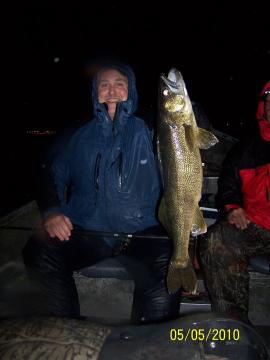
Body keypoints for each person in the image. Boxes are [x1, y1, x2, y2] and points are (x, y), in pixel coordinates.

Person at [22, 61, 180, 323]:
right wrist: (52, 211)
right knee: (39, 250)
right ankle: (65, 329)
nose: (112, 90)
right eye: (104, 85)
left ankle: (151, 337)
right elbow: (50, 172)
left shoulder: (153, 127)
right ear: (95, 92)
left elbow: (185, 137)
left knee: (168, 264)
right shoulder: (77, 133)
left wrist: (185, 108)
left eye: (120, 84)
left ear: (132, 90)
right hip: (89, 231)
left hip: (145, 233)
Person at [199, 80, 270, 324]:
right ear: (264, 107)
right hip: (259, 227)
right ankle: (234, 327)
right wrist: (233, 207)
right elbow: (228, 188)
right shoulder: (244, 150)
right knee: (217, 241)